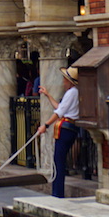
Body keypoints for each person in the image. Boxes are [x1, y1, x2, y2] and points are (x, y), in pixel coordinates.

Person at [36, 67, 80, 198]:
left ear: (69, 81)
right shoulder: (72, 92)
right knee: (58, 160)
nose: (63, 82)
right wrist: (48, 95)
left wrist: (46, 125)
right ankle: (56, 191)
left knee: (59, 161)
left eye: (65, 79)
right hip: (67, 126)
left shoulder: (72, 92)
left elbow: (59, 112)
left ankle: (58, 193)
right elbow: (60, 108)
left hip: (66, 128)